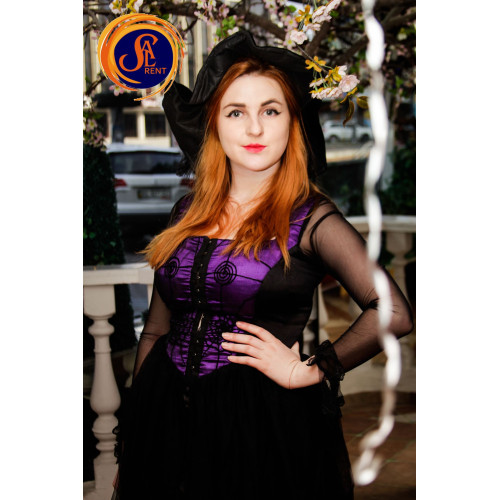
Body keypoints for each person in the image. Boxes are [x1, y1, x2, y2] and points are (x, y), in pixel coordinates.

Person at [111, 31, 413, 500]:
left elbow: (393, 311)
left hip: (260, 426)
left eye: (270, 111)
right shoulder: (186, 212)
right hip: (164, 420)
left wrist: (311, 369)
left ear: (292, 123)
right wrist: (134, 439)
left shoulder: (312, 219)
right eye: (236, 112)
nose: (254, 129)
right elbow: (154, 330)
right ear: (216, 125)